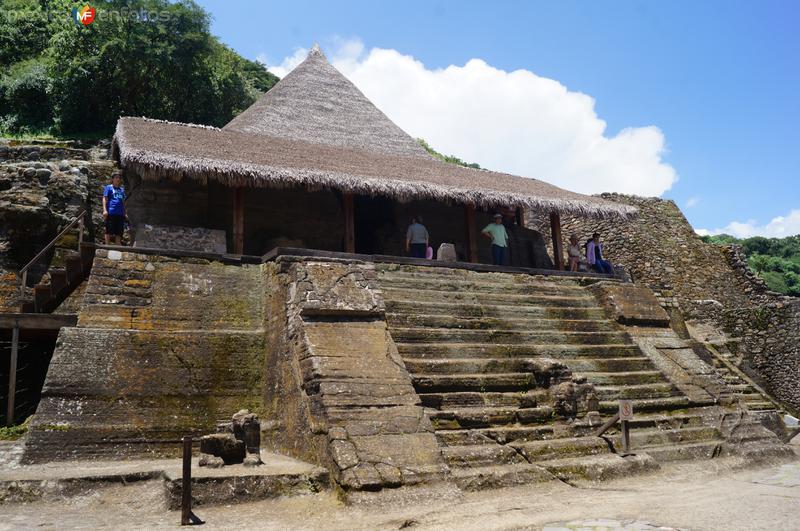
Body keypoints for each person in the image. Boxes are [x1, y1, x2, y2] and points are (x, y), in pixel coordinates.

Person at [102, 171, 127, 245]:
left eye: (119, 178)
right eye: (116, 178)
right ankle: (107, 246)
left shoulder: (122, 190)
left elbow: (123, 202)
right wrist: (104, 210)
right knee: (108, 230)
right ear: (112, 179)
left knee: (119, 232)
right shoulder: (109, 187)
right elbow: (104, 198)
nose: (118, 179)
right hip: (111, 212)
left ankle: (118, 246)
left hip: (120, 214)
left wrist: (125, 213)